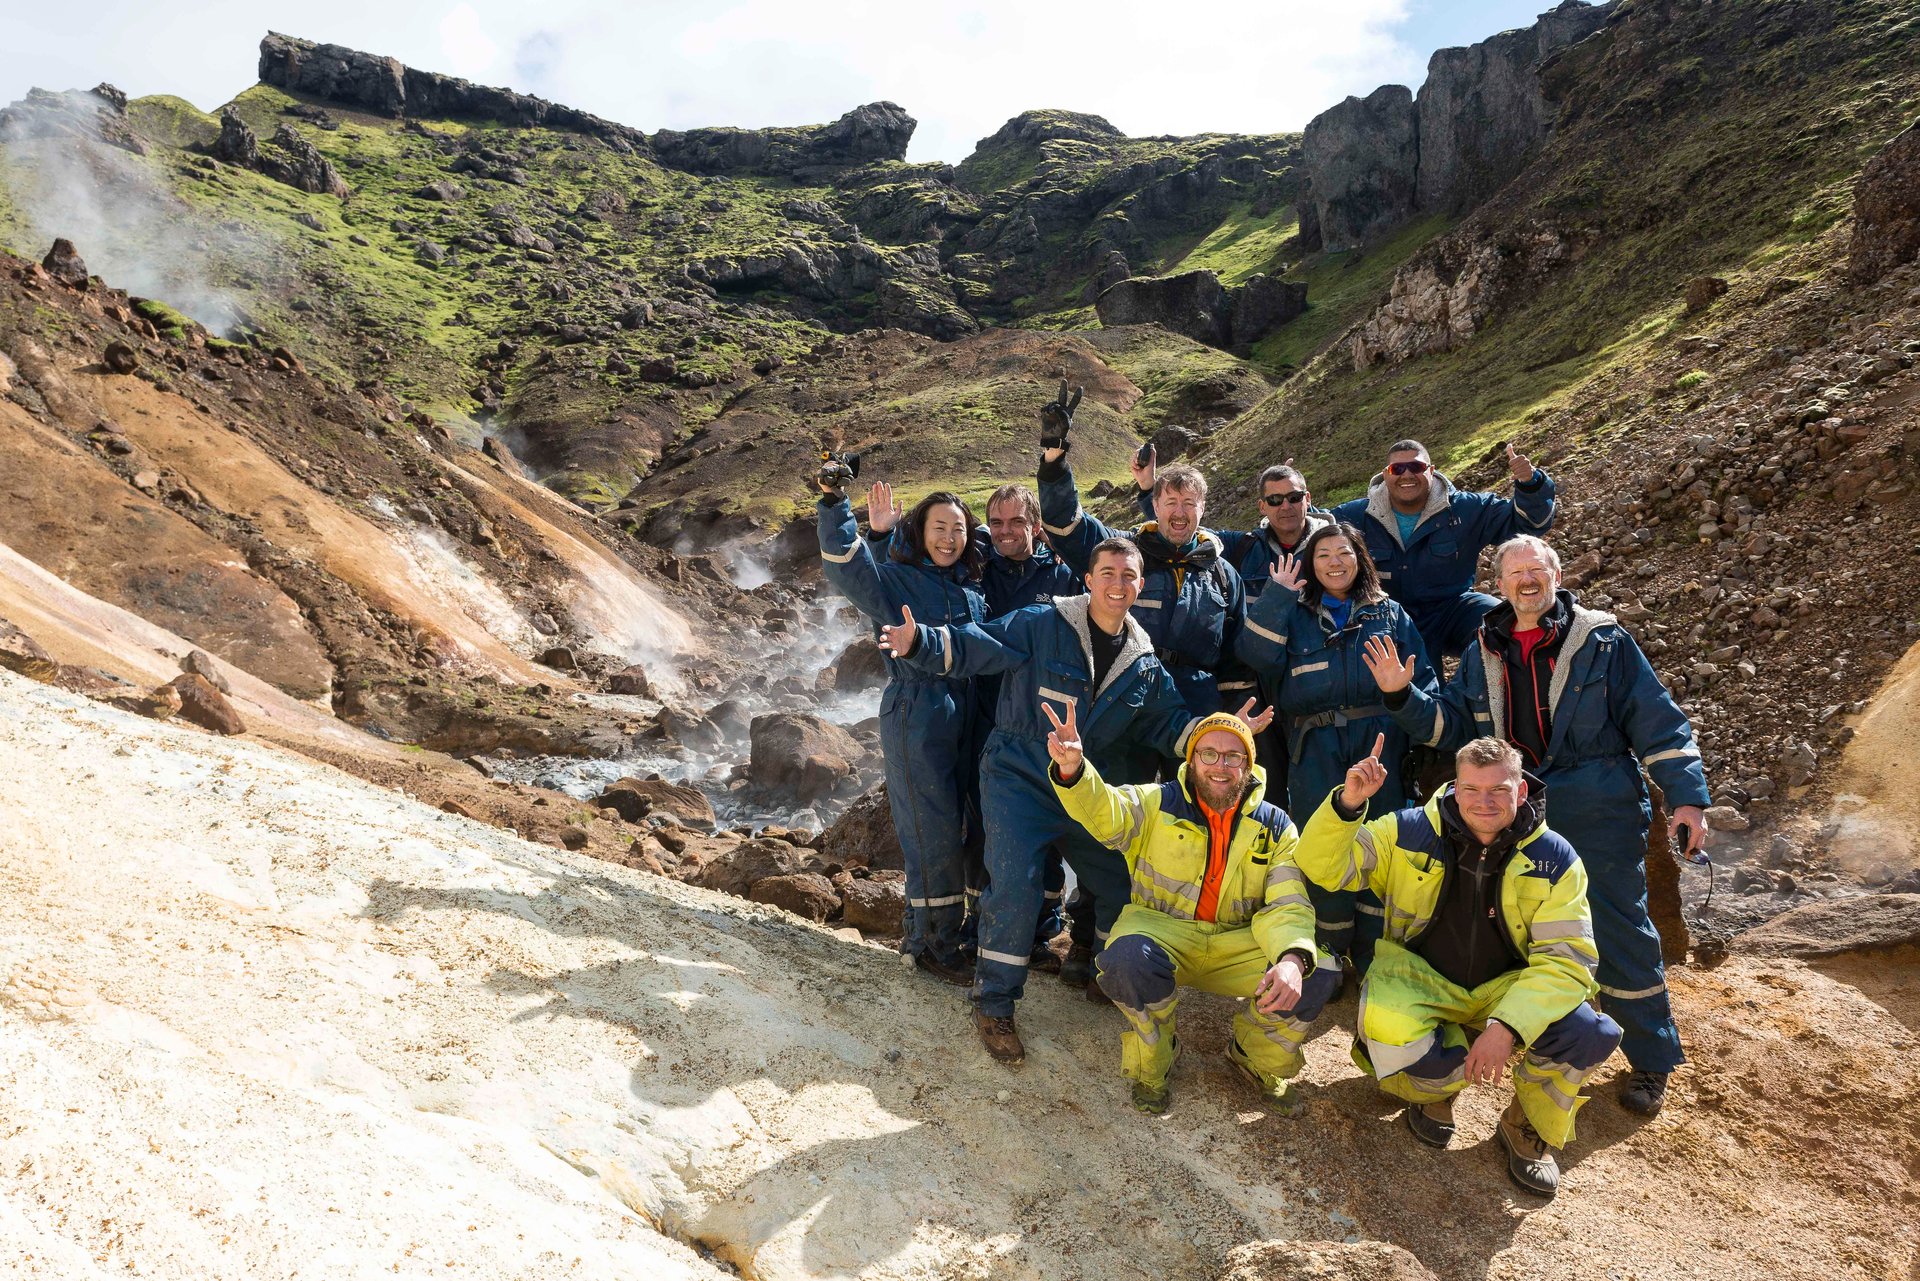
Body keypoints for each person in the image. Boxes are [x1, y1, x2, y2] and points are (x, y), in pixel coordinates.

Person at [878, 539, 1275, 1062]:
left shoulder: (1145, 663)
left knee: (1117, 880)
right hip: (1018, 777)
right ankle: (994, 1002)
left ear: (1140, 585)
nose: (1118, 583)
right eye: (1107, 572)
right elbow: (981, 643)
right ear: (1088, 579)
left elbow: (1168, 722)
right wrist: (920, 643)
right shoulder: (1043, 624)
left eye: (1129, 576)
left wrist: (1217, 735)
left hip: (1083, 786)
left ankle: (1104, 976)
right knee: (1016, 885)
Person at [1363, 534, 1709, 1117]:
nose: (1526, 581)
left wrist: (1687, 797)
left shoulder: (1603, 640)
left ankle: (1651, 1057)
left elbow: (1655, 719)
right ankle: (1533, 1035)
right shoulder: (1482, 649)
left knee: (1617, 927)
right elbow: (1453, 728)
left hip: (1598, 805)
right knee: (1521, 931)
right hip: (1516, 811)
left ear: (1556, 574)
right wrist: (1403, 697)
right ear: (1498, 583)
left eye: (1537, 570)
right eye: (1514, 572)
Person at [1296, 734, 1622, 1198]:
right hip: (1421, 978)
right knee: (1387, 1030)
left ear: (1522, 791)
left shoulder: (1556, 859)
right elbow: (1322, 866)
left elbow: (1567, 960)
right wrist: (1348, 805)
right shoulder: (1407, 830)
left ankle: (1526, 1126)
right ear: (1454, 785)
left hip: (1507, 989)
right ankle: (1436, 1093)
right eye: (1471, 789)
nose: (1483, 802)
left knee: (1588, 1031)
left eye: (1498, 790)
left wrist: (1507, 1026)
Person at [1047, 706, 1338, 1115]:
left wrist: (1291, 957)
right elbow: (1106, 810)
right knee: (1124, 961)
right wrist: (1075, 771)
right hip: (1164, 933)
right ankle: (1157, 1057)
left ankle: (1253, 1057)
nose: (1220, 766)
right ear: (1191, 759)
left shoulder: (1276, 826)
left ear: (1249, 765)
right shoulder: (1156, 803)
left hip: (1237, 944)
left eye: (1233, 756)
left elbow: (1288, 900)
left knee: (1318, 970)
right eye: (1209, 754)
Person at [1234, 522, 1436, 974]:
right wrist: (1278, 597)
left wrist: (1412, 709)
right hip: (1316, 745)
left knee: (1380, 845)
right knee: (1319, 844)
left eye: (1343, 552)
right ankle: (1326, 953)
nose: (1334, 562)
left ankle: (1372, 957)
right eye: (1323, 555)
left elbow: (1421, 681)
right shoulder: (1295, 613)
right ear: (1311, 565)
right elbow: (1255, 655)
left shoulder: (1390, 613)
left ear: (1360, 558)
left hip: (1380, 743)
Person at [818, 476, 987, 986]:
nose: (949, 538)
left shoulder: (969, 587)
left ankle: (965, 934)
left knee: (973, 823)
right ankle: (930, 944)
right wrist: (834, 506)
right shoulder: (894, 580)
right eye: (939, 527)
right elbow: (849, 572)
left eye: (958, 529)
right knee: (930, 828)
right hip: (918, 710)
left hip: (970, 711)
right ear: (920, 531)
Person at [1035, 387, 1249, 767]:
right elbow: (1068, 525)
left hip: (1196, 703)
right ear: (1155, 505)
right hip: (1126, 692)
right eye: (1171, 503)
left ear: (1203, 510)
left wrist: (1230, 721)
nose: (1179, 513)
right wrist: (1054, 461)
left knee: (1187, 810)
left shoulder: (1223, 575)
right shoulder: (1126, 555)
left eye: (1189, 504)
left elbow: (1235, 658)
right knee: (1121, 807)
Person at [1331, 438, 1556, 660]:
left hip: (1452, 610)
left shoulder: (1465, 509)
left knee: (1504, 622)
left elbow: (1528, 524)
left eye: (1416, 467)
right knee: (1418, 681)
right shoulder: (1357, 516)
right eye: (1397, 468)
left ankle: (1489, 692)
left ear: (1431, 470)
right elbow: (1315, 527)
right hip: (1386, 616)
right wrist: (1296, 495)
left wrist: (1530, 484)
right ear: (1386, 474)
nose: (1407, 475)